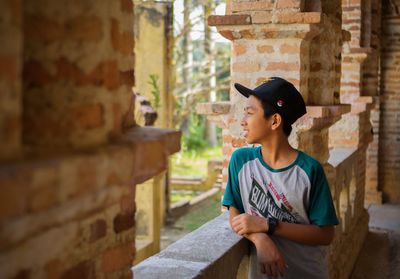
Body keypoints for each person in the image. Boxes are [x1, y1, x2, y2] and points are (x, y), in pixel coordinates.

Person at [222, 77, 339, 279]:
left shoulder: (309, 170)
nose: (243, 121)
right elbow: (237, 216)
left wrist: (269, 225)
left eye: (250, 113)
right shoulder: (241, 161)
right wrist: (260, 238)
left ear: (275, 121)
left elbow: (325, 234)